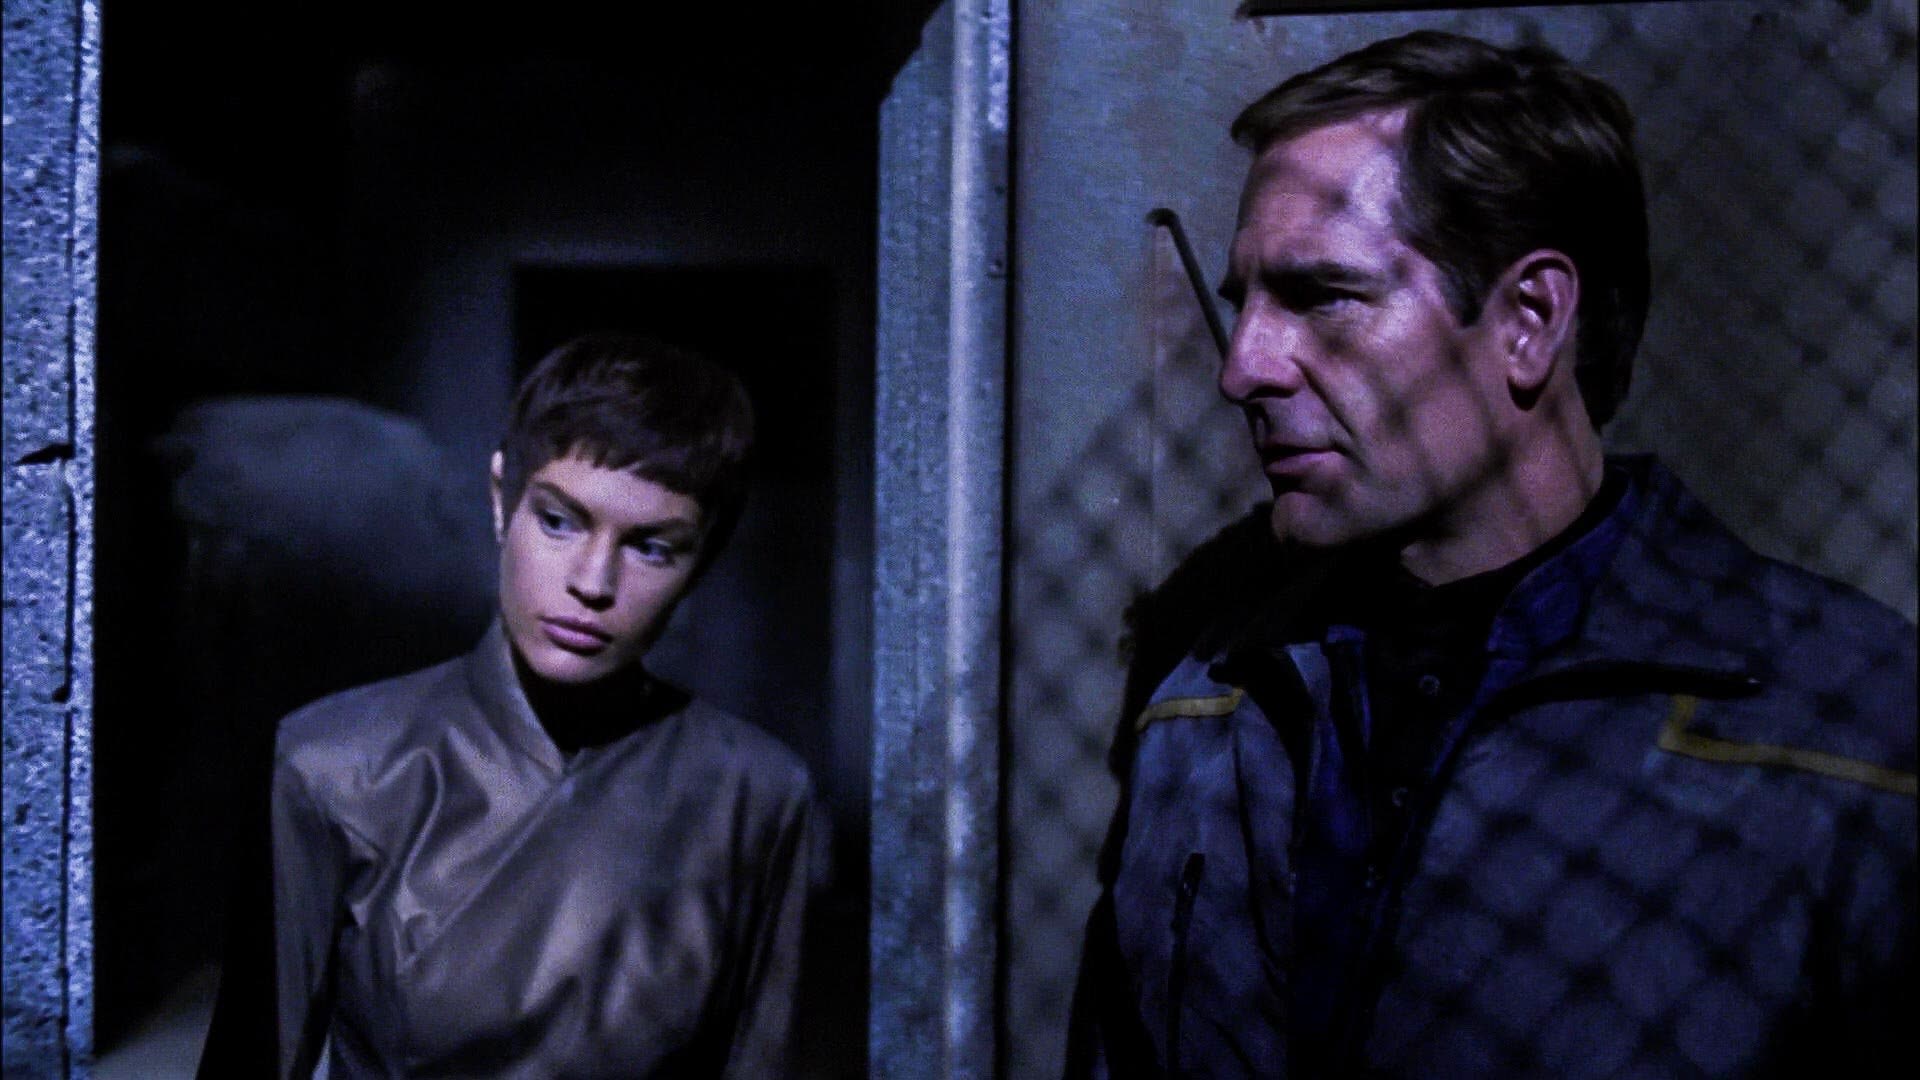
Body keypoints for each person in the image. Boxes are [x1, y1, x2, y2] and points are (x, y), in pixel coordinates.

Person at [1066, 30, 1915, 1079]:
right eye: (1247, 304)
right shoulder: (1211, 706)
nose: (1244, 369)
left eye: (1323, 296)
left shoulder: (1844, 723)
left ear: (1529, 319)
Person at [201, 333, 814, 1078]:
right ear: (502, 501)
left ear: (703, 559)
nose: (593, 582)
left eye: (652, 547)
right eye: (559, 520)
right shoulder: (332, 766)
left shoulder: (754, 794)